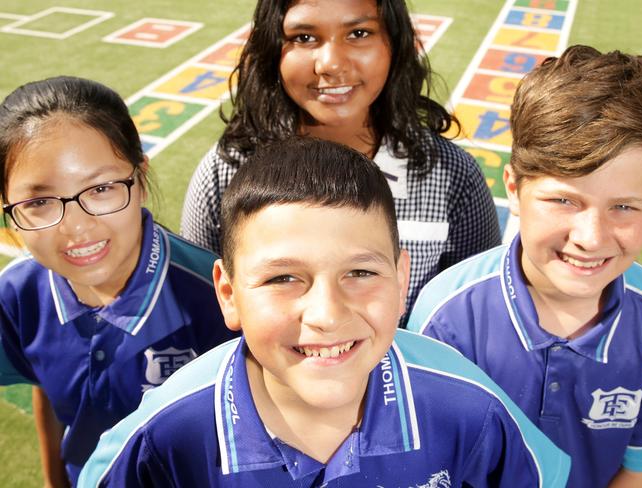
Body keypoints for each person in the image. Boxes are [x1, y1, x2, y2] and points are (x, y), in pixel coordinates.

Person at [79, 137, 569, 487]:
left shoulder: (468, 404)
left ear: (402, 280)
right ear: (228, 293)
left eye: (360, 273)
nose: (327, 314)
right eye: (282, 278)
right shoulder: (164, 433)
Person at [406, 45, 642, 487]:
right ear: (514, 189)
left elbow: (639, 468)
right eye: (562, 200)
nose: (590, 237)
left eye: (624, 207)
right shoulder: (447, 318)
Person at [180, 0, 501, 320]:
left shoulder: (451, 174)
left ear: (395, 42)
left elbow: (475, 310)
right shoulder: (223, 172)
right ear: (271, 48)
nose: (331, 64)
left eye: (359, 32)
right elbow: (204, 314)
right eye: (304, 37)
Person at [0, 76, 238, 487]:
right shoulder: (18, 295)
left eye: (102, 188)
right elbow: (46, 386)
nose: (76, 228)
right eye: (38, 202)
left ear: (140, 177)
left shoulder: (219, 298)